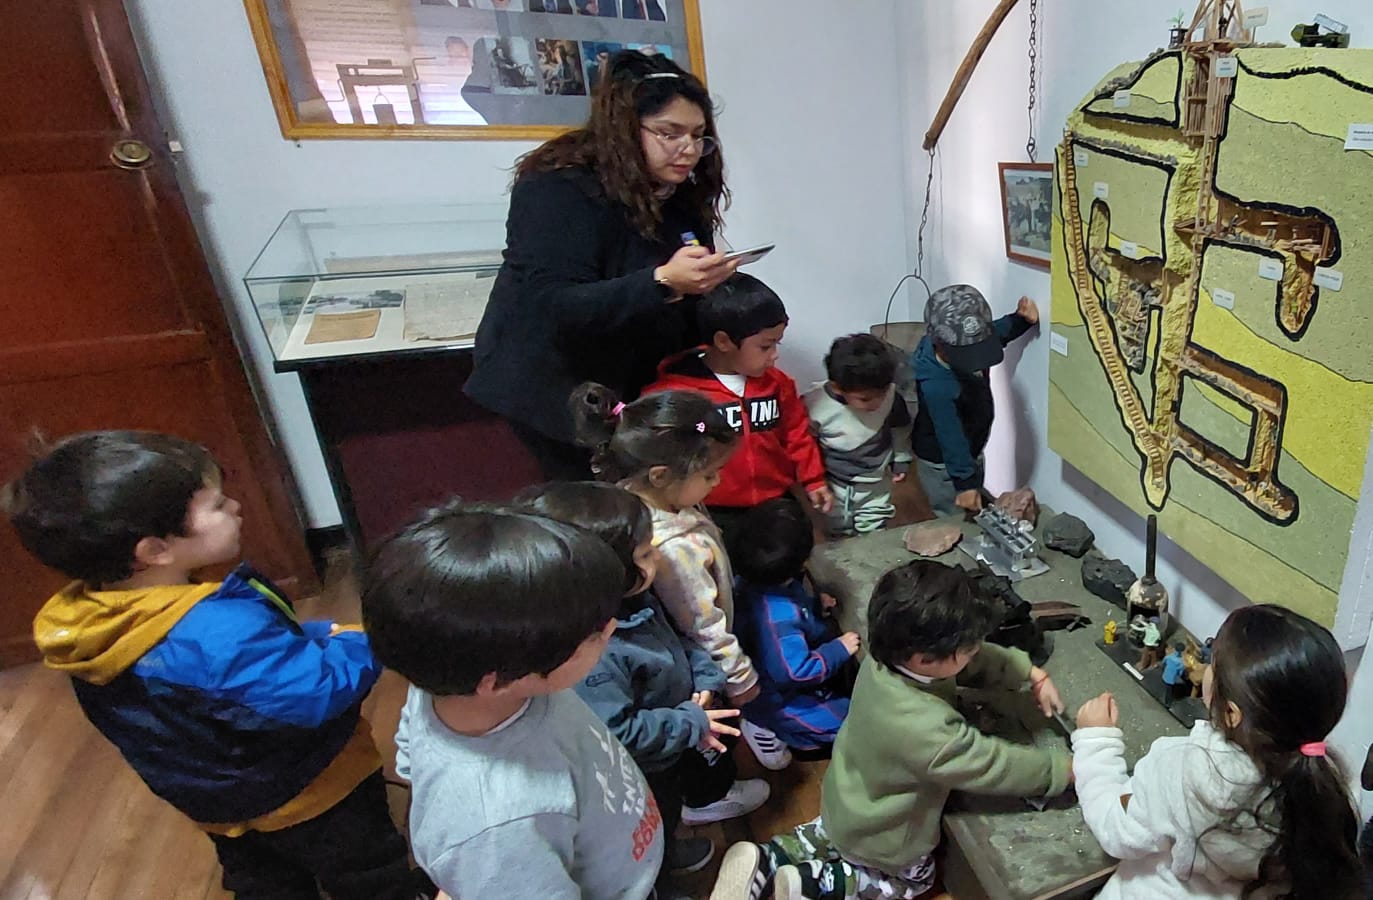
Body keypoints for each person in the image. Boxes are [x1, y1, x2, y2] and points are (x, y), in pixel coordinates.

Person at [0, 431, 432, 899]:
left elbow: (212, 680)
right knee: (366, 872)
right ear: (155, 550)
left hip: (215, 802)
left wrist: (302, 640)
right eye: (218, 506)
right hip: (311, 794)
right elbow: (314, 692)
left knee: (263, 879)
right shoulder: (216, 631)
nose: (236, 508)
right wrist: (363, 643)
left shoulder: (85, 622)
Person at [723, 560, 1072, 899]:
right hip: (889, 835)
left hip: (845, 798)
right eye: (969, 647)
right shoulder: (929, 728)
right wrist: (1062, 770)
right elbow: (993, 764)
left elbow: (972, 662)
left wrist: (1029, 672)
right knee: (916, 880)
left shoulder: (886, 656)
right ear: (926, 659)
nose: (975, 651)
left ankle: (767, 857)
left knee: (828, 833)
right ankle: (823, 883)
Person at [366, 503, 663, 898]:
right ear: (497, 681)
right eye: (590, 634)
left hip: (619, 853)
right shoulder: (496, 826)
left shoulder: (450, 678)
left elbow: (410, 749)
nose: (609, 628)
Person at [467, 50, 737, 480]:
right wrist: (663, 281)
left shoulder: (678, 193)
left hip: (627, 367)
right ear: (627, 128)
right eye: (670, 133)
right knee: (595, 494)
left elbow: (680, 281)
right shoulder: (558, 187)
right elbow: (551, 305)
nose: (688, 150)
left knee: (642, 481)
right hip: (555, 375)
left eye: (699, 136)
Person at [518, 482, 769, 879]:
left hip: (677, 733)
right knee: (651, 818)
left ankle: (668, 847)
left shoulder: (636, 599)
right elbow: (621, 732)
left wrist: (704, 675)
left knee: (667, 812)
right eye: (646, 553)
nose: (659, 557)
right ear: (606, 572)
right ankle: (661, 872)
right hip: (645, 768)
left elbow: (680, 638)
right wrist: (691, 721)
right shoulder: (594, 656)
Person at [572, 382, 794, 771]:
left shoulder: (644, 498)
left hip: (691, 642)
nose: (718, 483)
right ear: (659, 475)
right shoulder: (672, 548)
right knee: (720, 719)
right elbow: (702, 622)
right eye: (711, 475)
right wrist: (741, 679)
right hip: (698, 659)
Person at [1073, 604, 1362, 898]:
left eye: (1213, 663)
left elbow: (1115, 829)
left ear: (1231, 714)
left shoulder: (1182, 774)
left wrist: (1096, 741)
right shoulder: (1335, 789)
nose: (1206, 668)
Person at [644, 273, 832, 549]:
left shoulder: (778, 385)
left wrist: (813, 480)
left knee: (785, 564)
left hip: (775, 501)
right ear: (723, 342)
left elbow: (796, 435)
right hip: (713, 510)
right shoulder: (677, 392)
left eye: (776, 344)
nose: (774, 355)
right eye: (765, 346)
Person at [731, 497, 858, 755]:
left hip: (776, 669)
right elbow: (795, 672)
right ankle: (774, 731)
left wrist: (813, 606)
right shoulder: (777, 618)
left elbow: (793, 605)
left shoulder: (760, 580)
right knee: (851, 722)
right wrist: (837, 650)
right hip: (777, 699)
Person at [912, 284, 1038, 516]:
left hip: (970, 448)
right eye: (969, 354)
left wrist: (1020, 320)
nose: (978, 361)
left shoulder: (963, 341)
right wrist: (964, 484)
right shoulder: (937, 385)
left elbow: (996, 332)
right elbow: (950, 436)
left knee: (974, 502)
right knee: (954, 515)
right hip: (943, 463)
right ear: (940, 345)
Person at [804, 333, 913, 536]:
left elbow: (900, 428)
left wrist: (901, 458)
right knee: (837, 532)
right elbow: (805, 445)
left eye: (882, 394)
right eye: (865, 399)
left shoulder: (891, 396)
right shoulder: (815, 404)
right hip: (833, 485)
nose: (877, 403)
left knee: (874, 533)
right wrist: (813, 481)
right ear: (837, 387)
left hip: (875, 484)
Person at [1160, 642, 1188, 707]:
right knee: (1182, 683)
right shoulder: (1181, 663)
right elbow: (1180, 674)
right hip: (1172, 679)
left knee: (1168, 689)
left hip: (1165, 675)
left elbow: (1163, 663)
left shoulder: (1168, 657)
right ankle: (1168, 703)